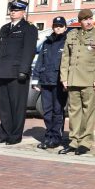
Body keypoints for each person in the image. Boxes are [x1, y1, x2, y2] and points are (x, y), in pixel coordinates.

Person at [58, 9, 95, 155]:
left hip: (90, 80)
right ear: (80, 21)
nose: (88, 22)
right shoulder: (72, 34)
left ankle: (85, 142)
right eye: (85, 19)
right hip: (73, 79)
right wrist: (64, 77)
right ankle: (74, 141)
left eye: (90, 19)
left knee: (88, 113)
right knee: (74, 112)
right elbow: (66, 57)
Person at [0, 0, 38, 145]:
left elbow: (29, 50)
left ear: (23, 11)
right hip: (3, 72)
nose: (13, 12)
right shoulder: (4, 28)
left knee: (17, 106)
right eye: (11, 9)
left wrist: (24, 70)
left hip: (18, 73)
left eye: (16, 10)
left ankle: (15, 136)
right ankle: (5, 134)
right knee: (4, 107)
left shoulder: (29, 28)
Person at [32, 16, 68, 149]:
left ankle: (56, 137)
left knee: (57, 111)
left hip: (59, 83)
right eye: (55, 26)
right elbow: (39, 61)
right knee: (47, 112)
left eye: (60, 26)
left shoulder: (67, 42)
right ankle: (48, 136)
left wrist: (67, 82)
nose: (57, 28)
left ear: (65, 27)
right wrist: (35, 80)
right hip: (46, 81)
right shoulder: (47, 42)